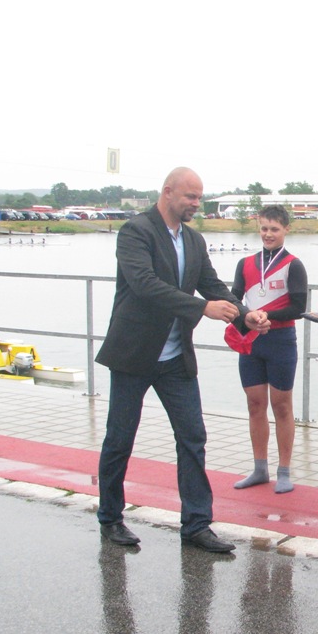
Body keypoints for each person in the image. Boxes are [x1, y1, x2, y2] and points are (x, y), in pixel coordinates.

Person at [95, 166, 270, 552]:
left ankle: (196, 525)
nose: (196, 203)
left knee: (193, 437)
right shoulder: (136, 232)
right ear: (168, 192)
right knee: (120, 439)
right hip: (134, 354)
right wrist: (201, 308)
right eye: (190, 196)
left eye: (199, 197)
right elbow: (145, 285)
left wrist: (244, 316)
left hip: (175, 358)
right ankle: (110, 518)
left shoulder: (193, 239)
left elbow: (211, 285)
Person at [231, 205, 308, 494]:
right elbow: (234, 301)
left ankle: (284, 471)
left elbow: (298, 308)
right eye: (264, 228)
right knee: (255, 404)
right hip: (252, 341)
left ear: (286, 229)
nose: (268, 234)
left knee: (282, 406)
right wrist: (246, 318)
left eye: (274, 229)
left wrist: (267, 316)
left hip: (281, 340)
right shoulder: (245, 264)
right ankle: (259, 469)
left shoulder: (293, 265)